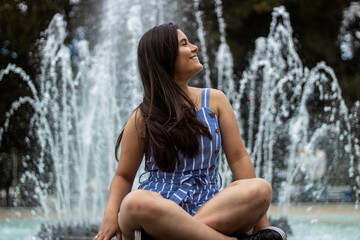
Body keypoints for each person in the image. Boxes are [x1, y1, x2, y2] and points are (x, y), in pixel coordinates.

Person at [93, 23, 286, 240]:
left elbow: (239, 158)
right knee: (134, 202)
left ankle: (176, 234)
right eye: (184, 44)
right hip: (158, 209)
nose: (194, 47)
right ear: (164, 57)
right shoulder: (143, 116)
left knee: (260, 189)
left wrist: (262, 226)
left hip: (209, 208)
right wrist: (110, 215)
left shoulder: (215, 100)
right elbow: (124, 175)